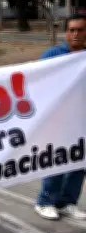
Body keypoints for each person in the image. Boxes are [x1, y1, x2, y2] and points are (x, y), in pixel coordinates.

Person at [34, 15, 86, 221]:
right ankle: (45, 201)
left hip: (81, 119)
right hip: (57, 118)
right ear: (66, 32)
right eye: (72, 30)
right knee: (57, 160)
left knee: (79, 163)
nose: (75, 34)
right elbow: (38, 82)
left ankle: (67, 202)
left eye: (80, 30)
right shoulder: (53, 55)